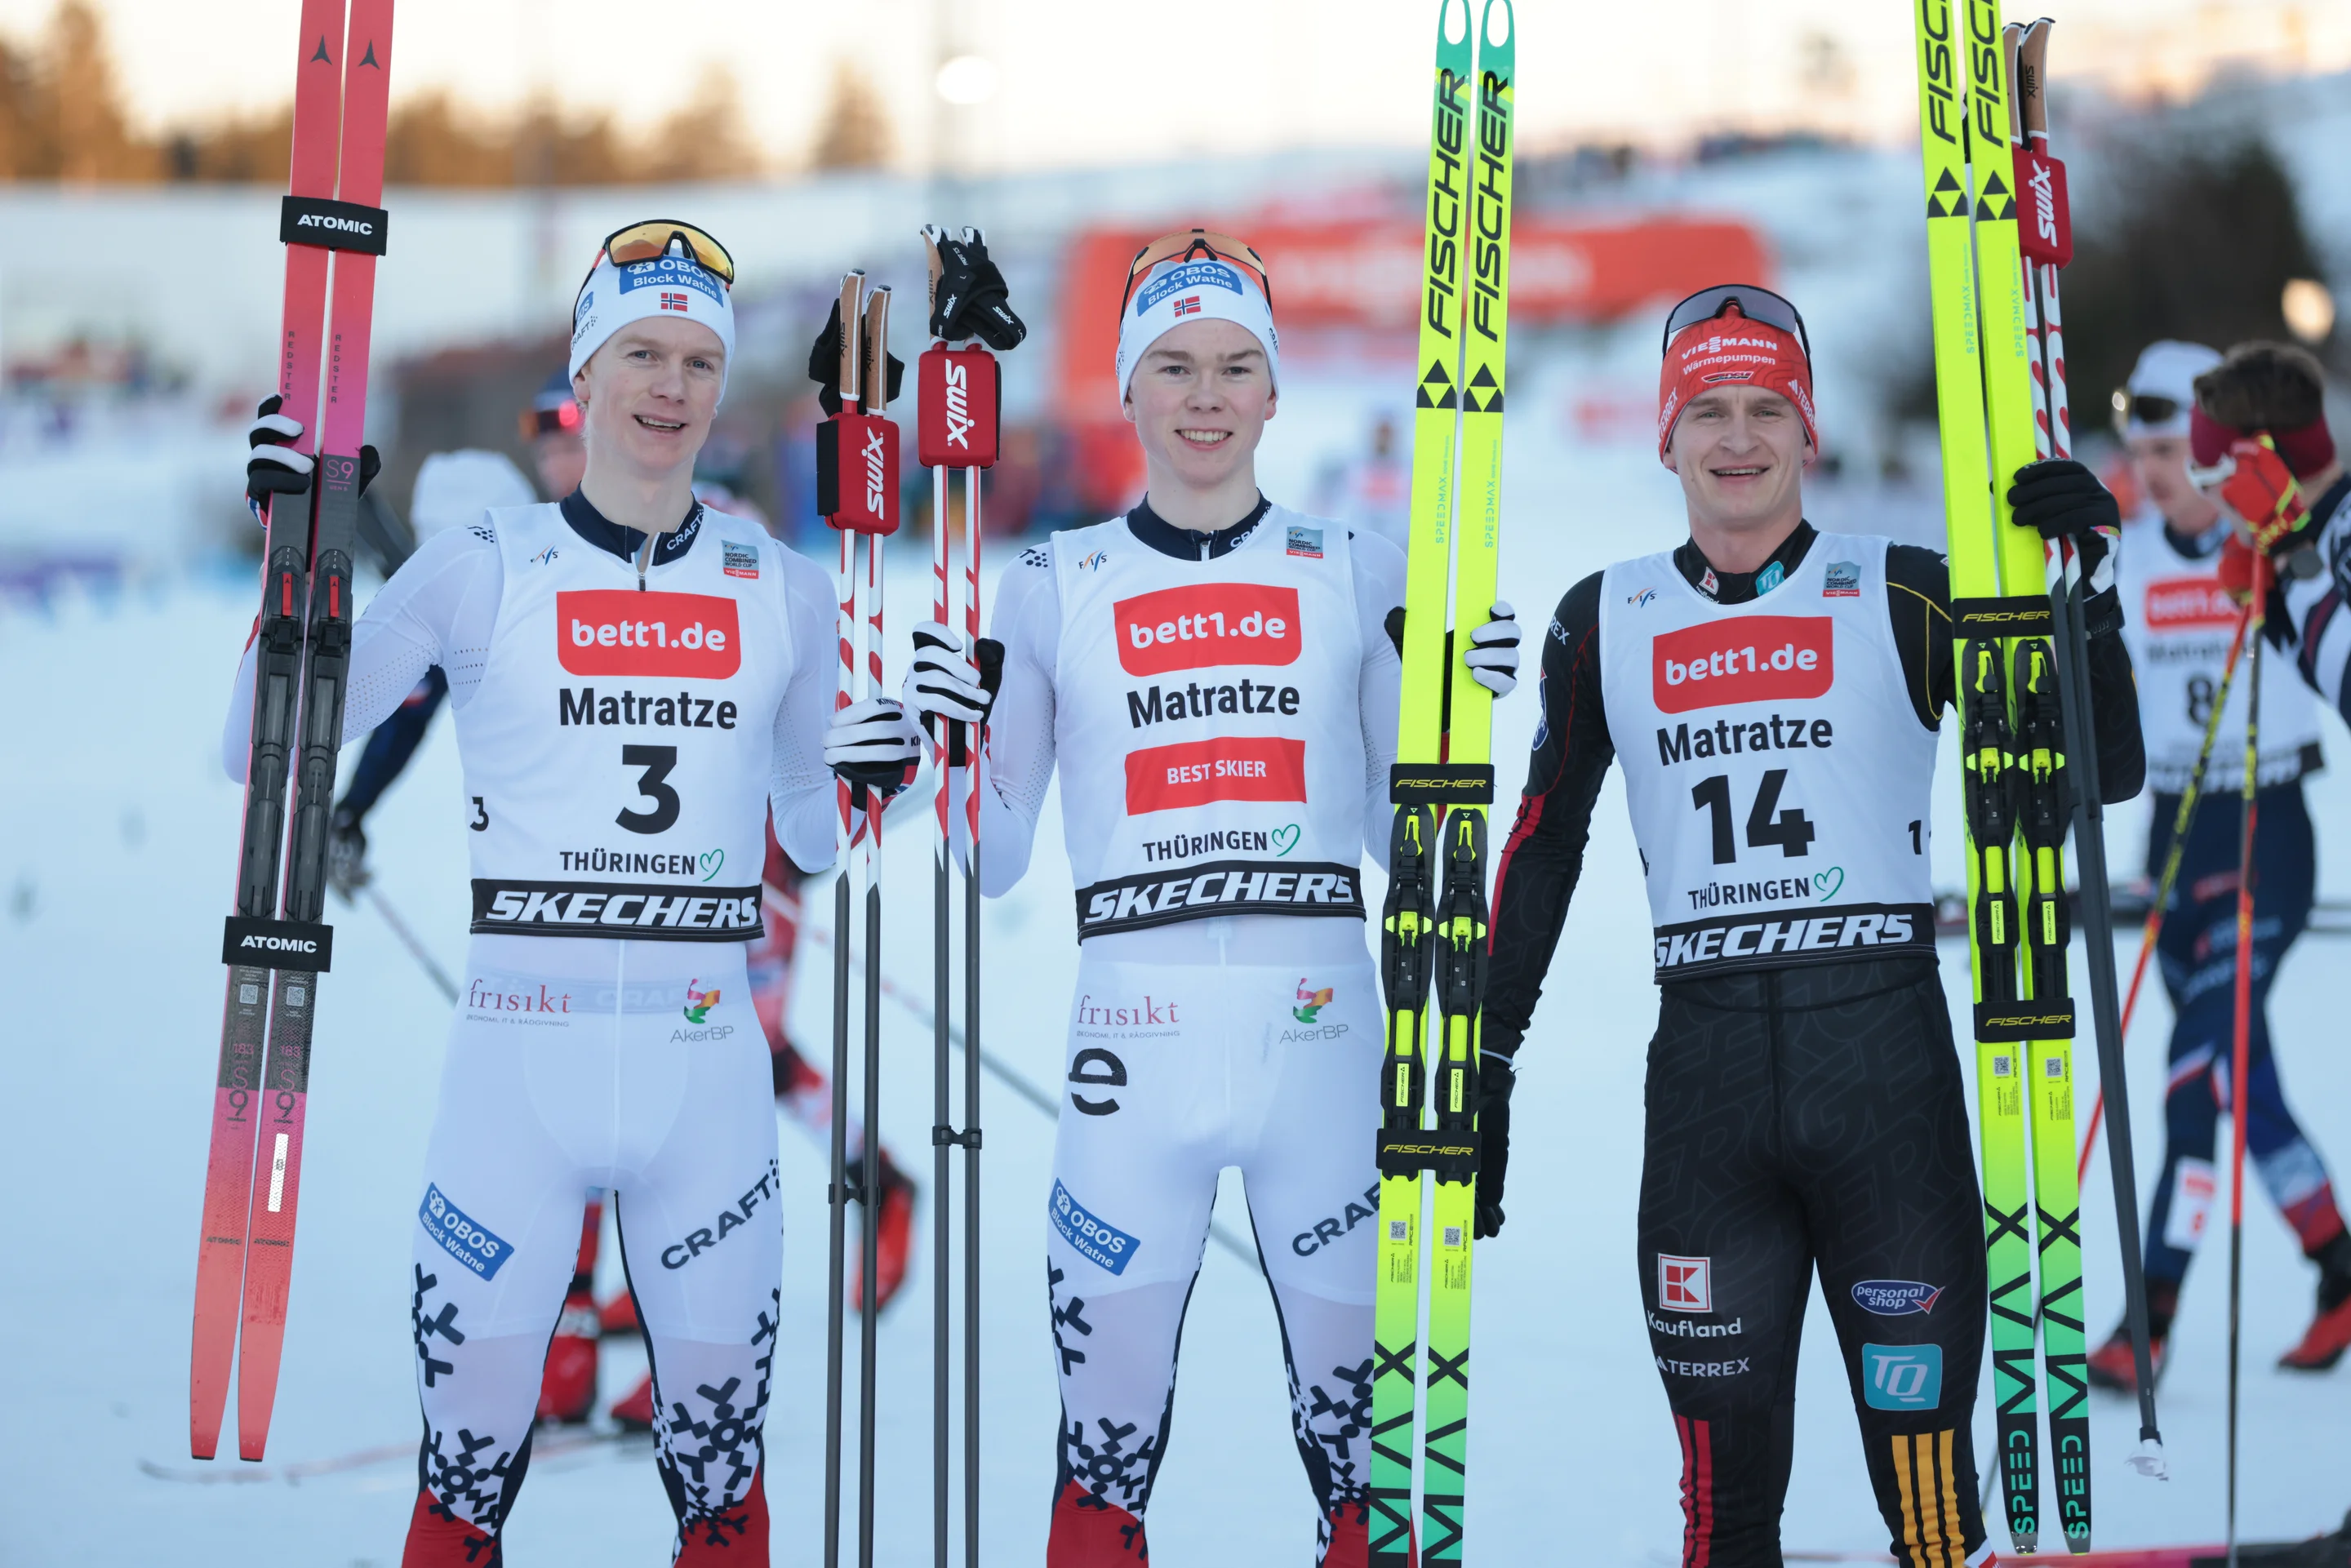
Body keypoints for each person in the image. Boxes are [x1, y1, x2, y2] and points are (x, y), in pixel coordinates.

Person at [225, 220, 922, 1563]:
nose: (671, 385)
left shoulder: (782, 588)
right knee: (462, 1487)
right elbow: (269, 737)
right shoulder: (482, 560)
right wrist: (294, 553)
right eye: (642, 353)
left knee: (724, 1494)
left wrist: (888, 773)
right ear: (585, 374)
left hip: (705, 1077)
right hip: (516, 1077)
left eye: (699, 361)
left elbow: (814, 831)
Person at [1478, 285, 2144, 1568]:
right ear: (1664, 436)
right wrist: (1486, 1057)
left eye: (1767, 409)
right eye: (1708, 410)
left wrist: (2088, 598)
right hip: (1706, 1104)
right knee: (1724, 1520)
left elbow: (2093, 770)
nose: (1739, 437)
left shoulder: (1906, 592)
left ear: (1810, 430)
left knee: (1931, 1517)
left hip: (1885, 1094)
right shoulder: (1602, 617)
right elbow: (1543, 843)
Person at [900, 229, 1518, 1566]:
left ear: (1276, 390)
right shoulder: (1052, 581)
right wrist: (943, 744)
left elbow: (1398, 841)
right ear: (1127, 386)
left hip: (1324, 1048)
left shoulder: (1357, 566)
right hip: (1132, 1056)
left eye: (1237, 366)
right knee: (1100, 1468)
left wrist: (1456, 715)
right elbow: (995, 856)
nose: (1205, 396)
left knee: (1368, 1470)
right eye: (1173, 366)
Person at [2168, 338, 2351, 1374]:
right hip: (2195, 834)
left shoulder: (2341, 533)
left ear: (2258, 466)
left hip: (2272, 831)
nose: (2213, 505)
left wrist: (2292, 568)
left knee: (2211, 1061)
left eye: (2216, 479)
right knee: (2235, 1065)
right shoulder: (2321, 537)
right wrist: (2283, 589)